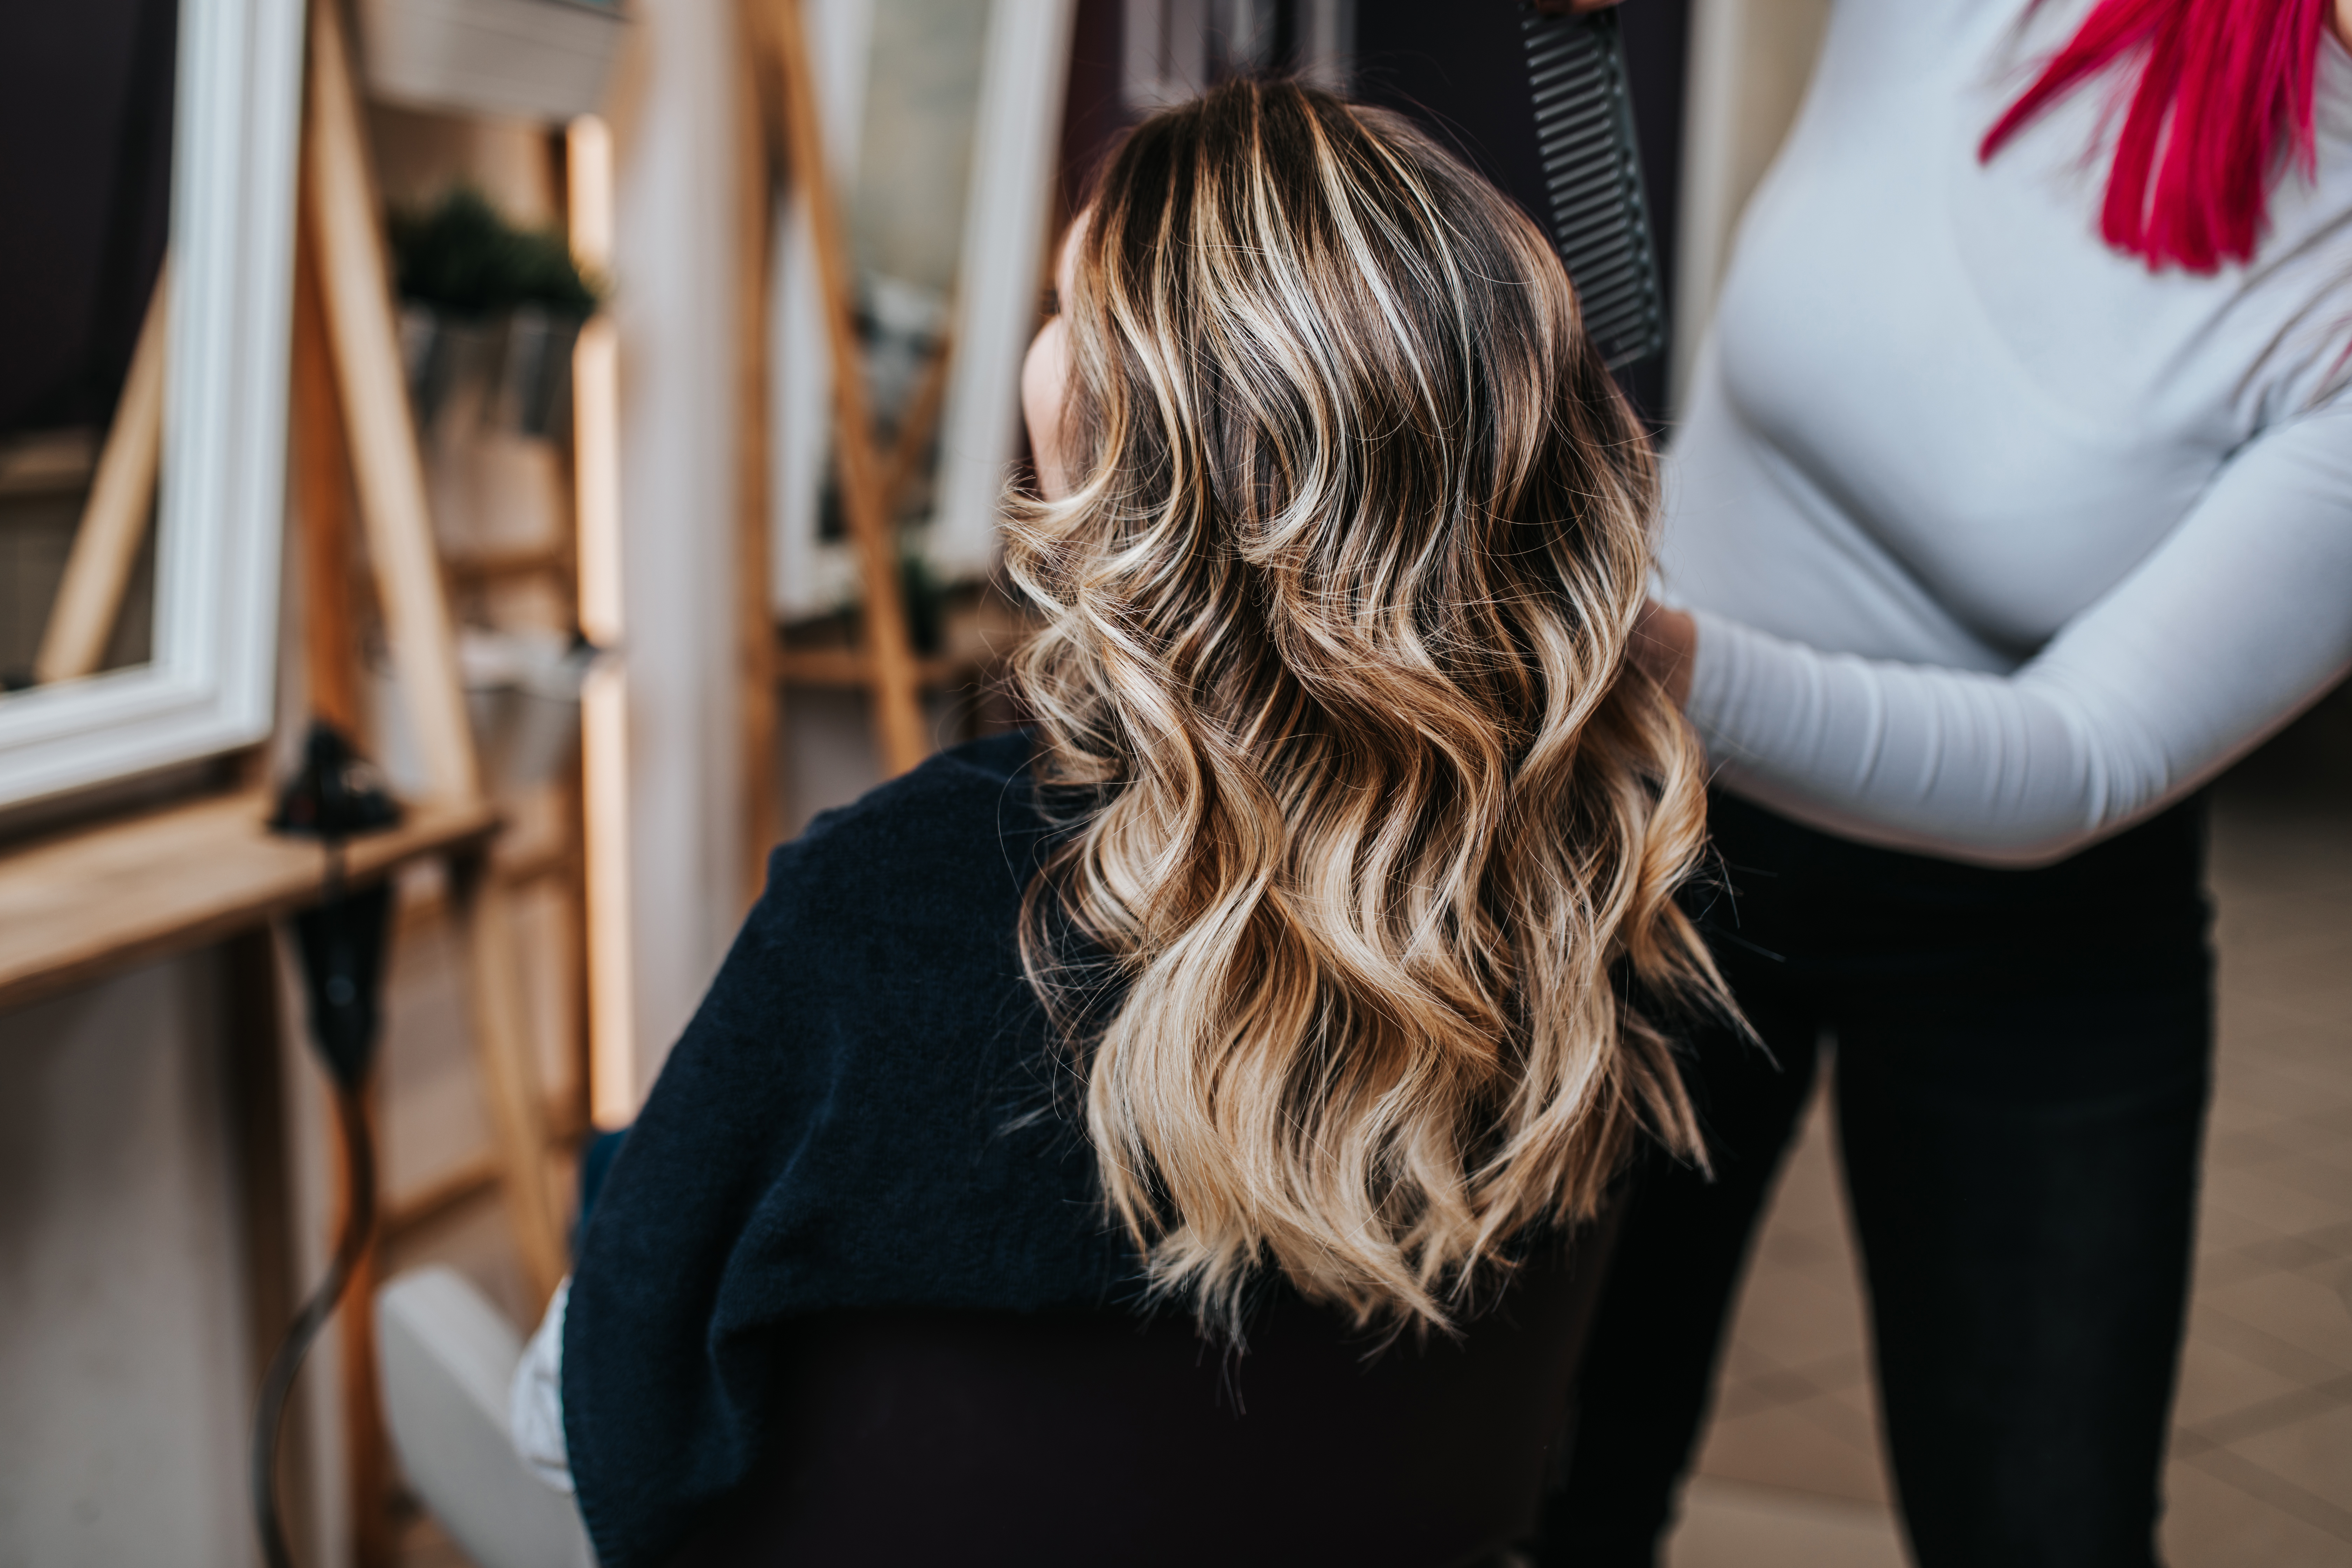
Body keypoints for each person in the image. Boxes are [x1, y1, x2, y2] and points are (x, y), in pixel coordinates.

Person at [512, 79, 1731, 1568]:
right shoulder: (1597, 878)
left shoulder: (894, 906)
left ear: (1123, 430)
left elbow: (610, 1440)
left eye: (1061, 307)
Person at [1550, 0, 2352, 1564]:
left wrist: (1637, 654)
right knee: (1553, 1472)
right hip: (1660, 849)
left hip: (2035, 933)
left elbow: (2077, 758)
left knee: (2043, 1527)